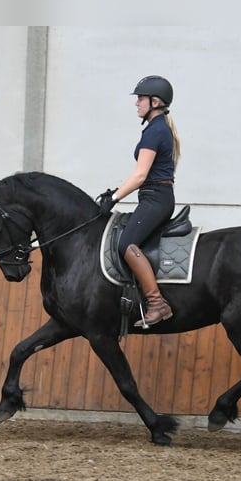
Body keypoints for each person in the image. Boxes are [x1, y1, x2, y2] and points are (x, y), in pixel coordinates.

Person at [97, 75, 181, 327]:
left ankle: (157, 303)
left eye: (140, 99)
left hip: (156, 199)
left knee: (127, 244)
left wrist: (114, 198)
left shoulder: (155, 131)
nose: (137, 104)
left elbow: (141, 175)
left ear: (155, 102)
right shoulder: (158, 128)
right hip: (155, 197)